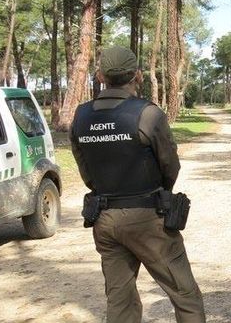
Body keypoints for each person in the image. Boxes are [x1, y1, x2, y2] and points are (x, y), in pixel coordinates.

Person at [70, 46, 205, 323]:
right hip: (148, 218)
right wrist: (156, 196)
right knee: (185, 295)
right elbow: (170, 166)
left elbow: (86, 173)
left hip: (104, 220)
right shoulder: (147, 114)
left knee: (120, 301)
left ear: (99, 76)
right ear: (138, 76)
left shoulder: (80, 116)